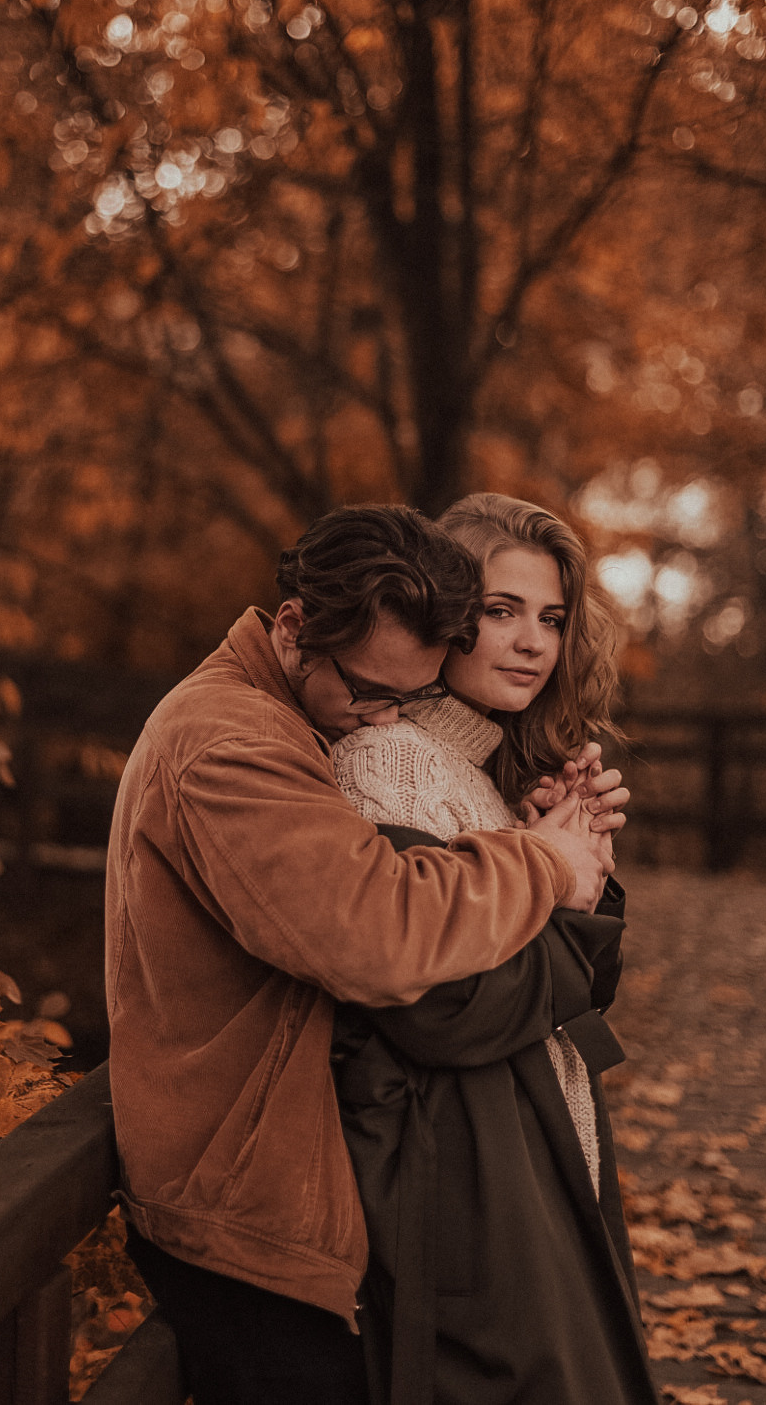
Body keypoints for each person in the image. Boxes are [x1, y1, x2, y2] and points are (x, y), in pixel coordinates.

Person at [105, 503, 621, 1405]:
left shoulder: (290, 716)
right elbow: (375, 934)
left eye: (406, 694)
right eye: (371, 690)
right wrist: (542, 862)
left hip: (278, 1174)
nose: (381, 717)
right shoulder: (230, 743)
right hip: (239, 1197)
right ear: (297, 629)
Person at [331, 492, 659, 1405]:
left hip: (530, 1136)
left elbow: (577, 993)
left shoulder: (475, 774)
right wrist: (561, 886)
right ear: (445, 615)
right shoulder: (390, 767)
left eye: (550, 619)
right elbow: (443, 1000)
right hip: (466, 1163)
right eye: (502, 611)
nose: (532, 642)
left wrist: (581, 862)